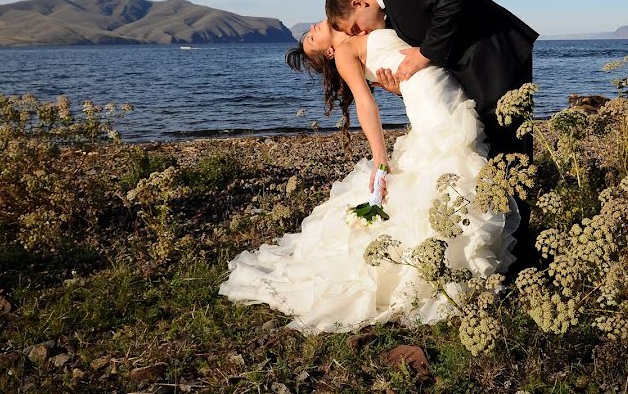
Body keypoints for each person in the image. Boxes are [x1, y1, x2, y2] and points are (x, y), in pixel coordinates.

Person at [218, 20, 519, 334]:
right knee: (449, 167)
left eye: (310, 31)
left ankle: (457, 260)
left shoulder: (361, 28)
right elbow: (365, 103)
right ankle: (447, 266)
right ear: (330, 51)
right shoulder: (345, 52)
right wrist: (380, 158)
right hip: (432, 105)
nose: (312, 27)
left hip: (436, 90)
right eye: (311, 37)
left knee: (450, 166)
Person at [325, 0, 539, 272]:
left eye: (355, 26)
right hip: (467, 77)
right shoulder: (390, 14)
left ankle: (518, 250)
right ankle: (507, 248)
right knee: (491, 153)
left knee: (510, 148)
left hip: (495, 56)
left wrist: (422, 56)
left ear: (359, 2)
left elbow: (453, 2)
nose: (359, 33)